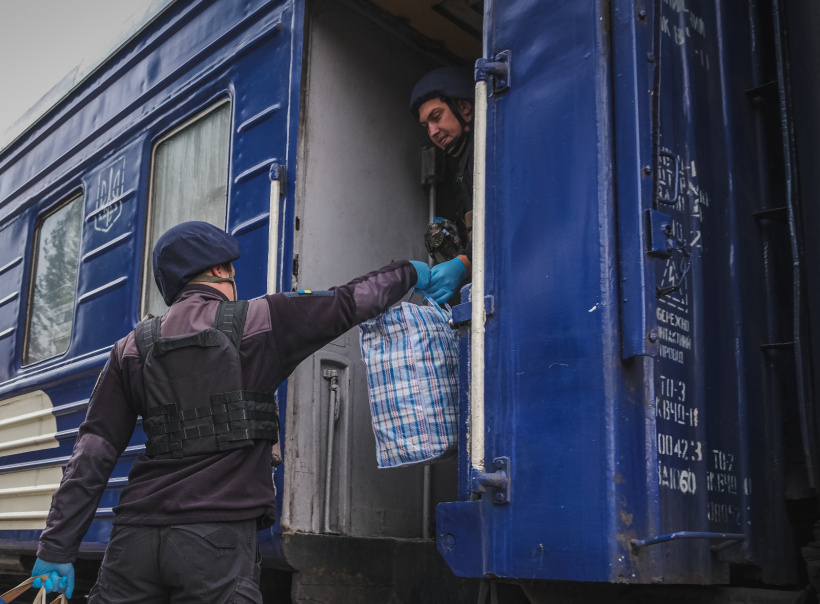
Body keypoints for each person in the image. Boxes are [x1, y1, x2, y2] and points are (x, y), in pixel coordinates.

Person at [30, 221, 435, 602]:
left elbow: (92, 453)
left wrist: (57, 546)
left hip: (133, 541)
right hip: (215, 544)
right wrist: (412, 271)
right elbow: (351, 301)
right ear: (221, 270)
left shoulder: (131, 348)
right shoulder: (262, 320)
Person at [409, 66, 476, 303]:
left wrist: (462, 264)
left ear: (465, 108)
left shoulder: (485, 150)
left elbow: (501, 227)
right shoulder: (462, 165)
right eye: (426, 125)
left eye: (436, 117)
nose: (433, 132)